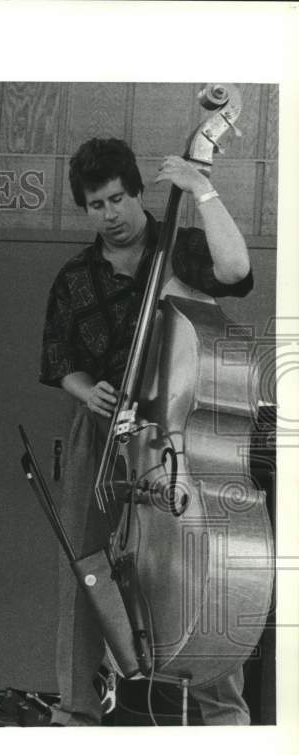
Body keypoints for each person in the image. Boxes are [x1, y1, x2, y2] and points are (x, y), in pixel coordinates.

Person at [39, 138, 255, 725]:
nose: (109, 215)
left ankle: (221, 713)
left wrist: (201, 188)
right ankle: (79, 708)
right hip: (104, 433)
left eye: (117, 199)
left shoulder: (181, 249)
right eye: (94, 205)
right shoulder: (75, 277)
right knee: (86, 566)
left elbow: (236, 271)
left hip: (174, 437)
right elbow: (60, 360)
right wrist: (88, 390)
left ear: (138, 192)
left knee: (200, 570)